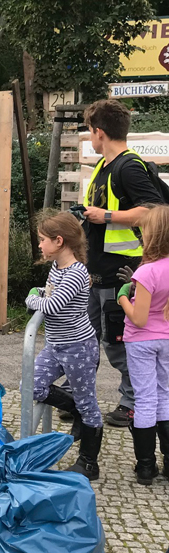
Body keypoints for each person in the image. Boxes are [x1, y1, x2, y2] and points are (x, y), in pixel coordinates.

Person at [82, 98, 163, 427]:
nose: (90, 137)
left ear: (99, 132)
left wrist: (107, 216)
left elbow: (155, 210)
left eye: (90, 131)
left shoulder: (128, 167)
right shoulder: (103, 168)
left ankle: (134, 403)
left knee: (119, 344)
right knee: (86, 338)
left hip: (122, 272)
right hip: (95, 270)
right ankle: (82, 398)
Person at [25, 211, 104, 480]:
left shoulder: (75, 273)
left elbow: (52, 305)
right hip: (55, 345)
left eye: (43, 239)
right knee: (33, 384)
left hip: (78, 348)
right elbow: (47, 294)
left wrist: (30, 300)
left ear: (59, 241)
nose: (39, 245)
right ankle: (75, 411)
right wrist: (40, 296)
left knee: (88, 403)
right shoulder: (56, 268)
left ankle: (89, 463)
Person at [117, 205, 169, 484]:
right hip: (167, 340)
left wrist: (123, 297)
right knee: (167, 396)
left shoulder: (147, 272)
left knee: (146, 400)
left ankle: (146, 467)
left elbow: (138, 318)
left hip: (142, 341)